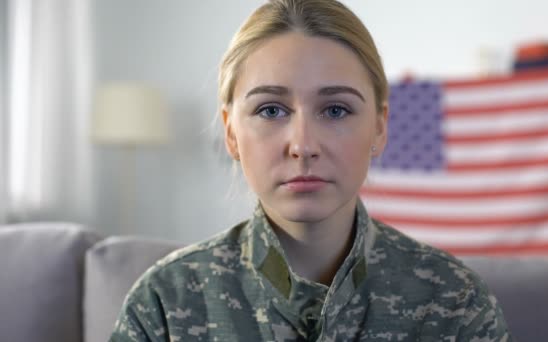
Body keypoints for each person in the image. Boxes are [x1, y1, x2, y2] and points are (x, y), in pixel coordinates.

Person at [110, 0, 512, 341]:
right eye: (271, 110)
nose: (303, 145)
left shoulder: (456, 304)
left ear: (379, 127)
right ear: (232, 133)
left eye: (336, 110)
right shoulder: (164, 305)